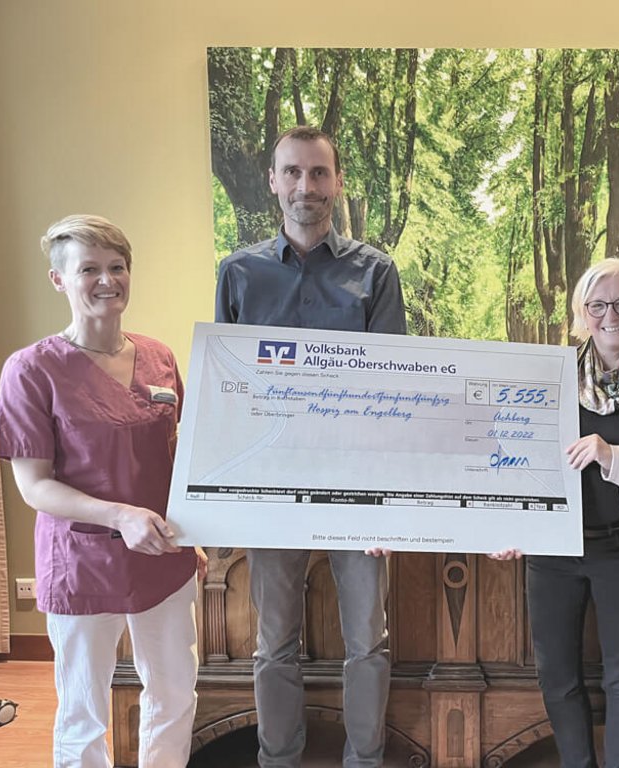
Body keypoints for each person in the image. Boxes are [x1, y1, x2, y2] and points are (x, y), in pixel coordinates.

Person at [216, 125, 406, 768]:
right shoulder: (238, 273)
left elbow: (396, 391)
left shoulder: (376, 272)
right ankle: (279, 760)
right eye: (293, 172)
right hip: (271, 489)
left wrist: (388, 502)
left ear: (337, 183)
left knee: (369, 641)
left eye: (319, 173)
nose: (306, 186)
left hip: (358, 487)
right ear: (273, 181)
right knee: (273, 643)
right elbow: (228, 389)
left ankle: (365, 760)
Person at [0, 215, 202, 768]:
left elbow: (174, 455)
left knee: (175, 692)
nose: (107, 280)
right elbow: (35, 486)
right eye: (89, 269)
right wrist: (121, 515)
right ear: (58, 279)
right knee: (83, 710)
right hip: (82, 561)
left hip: (162, 554)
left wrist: (195, 529)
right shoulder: (31, 370)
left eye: (117, 266)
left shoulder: (159, 358)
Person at [492, 259, 619, 768]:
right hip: (553, 551)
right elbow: (518, 457)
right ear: (583, 314)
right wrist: (511, 526)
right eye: (598, 305)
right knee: (556, 674)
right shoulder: (551, 377)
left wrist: (612, 457)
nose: (611, 316)